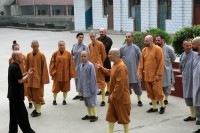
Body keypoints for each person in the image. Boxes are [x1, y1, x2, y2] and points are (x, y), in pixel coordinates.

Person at [96, 48, 131, 133]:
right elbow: (111, 72)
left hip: (121, 98)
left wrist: (113, 95)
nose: (108, 56)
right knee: (110, 116)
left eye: (109, 54)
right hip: (114, 97)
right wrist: (101, 68)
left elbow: (120, 84)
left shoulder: (121, 67)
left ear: (115, 55)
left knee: (124, 118)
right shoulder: (115, 64)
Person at [8, 51, 35, 133]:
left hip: (12, 96)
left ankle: (12, 131)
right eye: (21, 56)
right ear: (16, 58)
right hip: (16, 97)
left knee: (13, 117)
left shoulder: (12, 65)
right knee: (22, 116)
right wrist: (28, 75)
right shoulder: (16, 67)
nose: (23, 57)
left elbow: (18, 76)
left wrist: (26, 73)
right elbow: (20, 81)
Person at [137, 35, 165, 114]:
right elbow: (141, 63)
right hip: (147, 75)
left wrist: (159, 74)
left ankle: (162, 106)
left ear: (151, 41)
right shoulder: (144, 50)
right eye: (144, 41)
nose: (144, 42)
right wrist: (140, 73)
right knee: (150, 92)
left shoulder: (158, 49)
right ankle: (154, 107)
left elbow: (161, 63)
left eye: (146, 41)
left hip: (156, 76)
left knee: (158, 92)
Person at [26, 40, 49, 117]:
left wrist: (43, 80)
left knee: (38, 95)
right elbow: (26, 67)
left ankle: (38, 111)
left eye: (37, 46)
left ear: (38, 46)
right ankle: (35, 109)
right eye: (34, 46)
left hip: (38, 79)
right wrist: (26, 77)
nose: (36, 48)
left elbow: (44, 68)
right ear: (31, 46)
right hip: (30, 78)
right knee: (31, 94)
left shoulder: (41, 55)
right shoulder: (29, 55)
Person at [120, 32, 143, 107]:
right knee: (126, 87)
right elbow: (118, 58)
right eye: (126, 37)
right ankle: (127, 100)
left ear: (132, 38)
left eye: (129, 37)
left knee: (137, 86)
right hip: (125, 71)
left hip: (134, 70)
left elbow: (141, 58)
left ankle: (139, 100)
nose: (127, 38)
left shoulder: (136, 48)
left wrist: (140, 68)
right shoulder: (122, 48)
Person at [49, 41, 76, 105]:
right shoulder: (55, 53)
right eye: (60, 45)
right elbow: (52, 63)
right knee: (55, 88)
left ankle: (64, 100)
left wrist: (71, 73)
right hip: (57, 73)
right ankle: (54, 100)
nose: (62, 46)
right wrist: (52, 71)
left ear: (65, 46)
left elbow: (71, 64)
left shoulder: (68, 54)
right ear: (58, 46)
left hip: (65, 73)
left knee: (65, 88)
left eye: (63, 45)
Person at [9, 40, 33, 109]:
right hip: (18, 76)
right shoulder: (11, 59)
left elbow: (28, 65)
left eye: (18, 49)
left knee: (27, 89)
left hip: (23, 75)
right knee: (19, 91)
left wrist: (26, 73)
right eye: (15, 49)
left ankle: (30, 102)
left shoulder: (23, 56)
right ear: (12, 49)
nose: (17, 50)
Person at [77, 51, 99, 122]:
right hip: (84, 87)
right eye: (82, 56)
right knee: (87, 102)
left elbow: (93, 78)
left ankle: (95, 115)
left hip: (90, 88)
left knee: (92, 102)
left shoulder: (90, 65)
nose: (83, 58)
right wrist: (80, 88)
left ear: (88, 57)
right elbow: (79, 78)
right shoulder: (80, 66)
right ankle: (89, 115)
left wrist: (93, 89)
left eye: (85, 56)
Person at [155, 34, 176, 105]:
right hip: (157, 70)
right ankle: (158, 98)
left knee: (166, 85)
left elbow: (173, 58)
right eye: (156, 40)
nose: (157, 42)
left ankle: (166, 99)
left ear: (163, 40)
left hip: (166, 70)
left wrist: (168, 65)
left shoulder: (169, 48)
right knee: (158, 85)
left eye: (158, 40)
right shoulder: (155, 48)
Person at [88, 30, 107, 106]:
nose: (92, 38)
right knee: (93, 82)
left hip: (99, 66)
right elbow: (89, 55)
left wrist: (100, 63)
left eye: (93, 36)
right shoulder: (89, 45)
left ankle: (103, 99)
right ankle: (93, 98)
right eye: (91, 37)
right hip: (92, 66)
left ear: (96, 36)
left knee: (101, 81)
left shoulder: (100, 44)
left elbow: (104, 55)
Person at [180, 39, 196, 122]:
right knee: (188, 97)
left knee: (195, 97)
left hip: (194, 80)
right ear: (183, 46)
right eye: (187, 45)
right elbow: (181, 67)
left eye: (190, 45)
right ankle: (193, 115)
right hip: (186, 79)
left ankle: (197, 116)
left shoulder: (196, 55)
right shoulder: (182, 55)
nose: (189, 47)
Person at [71, 32, 89, 101]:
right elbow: (71, 54)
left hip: (82, 66)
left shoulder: (85, 46)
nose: (81, 39)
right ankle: (79, 94)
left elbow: (88, 56)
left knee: (82, 80)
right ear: (77, 38)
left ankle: (83, 94)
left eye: (82, 37)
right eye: (79, 37)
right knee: (76, 80)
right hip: (75, 65)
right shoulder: (74, 45)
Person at [98, 28, 113, 96]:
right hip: (99, 59)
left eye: (102, 32)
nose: (101, 33)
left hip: (106, 59)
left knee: (107, 74)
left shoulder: (109, 40)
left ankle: (109, 90)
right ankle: (102, 89)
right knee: (100, 74)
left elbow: (105, 48)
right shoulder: (97, 39)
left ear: (105, 32)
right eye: (100, 32)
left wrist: (99, 47)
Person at [192, 37, 200, 125]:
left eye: (193, 44)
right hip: (195, 84)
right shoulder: (196, 55)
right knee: (196, 104)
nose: (191, 46)